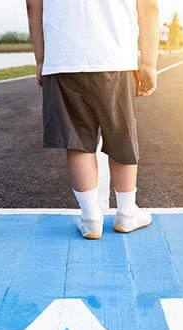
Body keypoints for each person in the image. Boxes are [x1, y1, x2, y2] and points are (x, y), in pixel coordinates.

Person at [26, 0, 160, 240]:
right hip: (114, 55)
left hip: (64, 57)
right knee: (121, 135)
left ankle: (90, 219)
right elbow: (148, 6)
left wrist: (40, 59)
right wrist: (149, 62)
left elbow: (32, 6)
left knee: (77, 140)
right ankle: (127, 213)